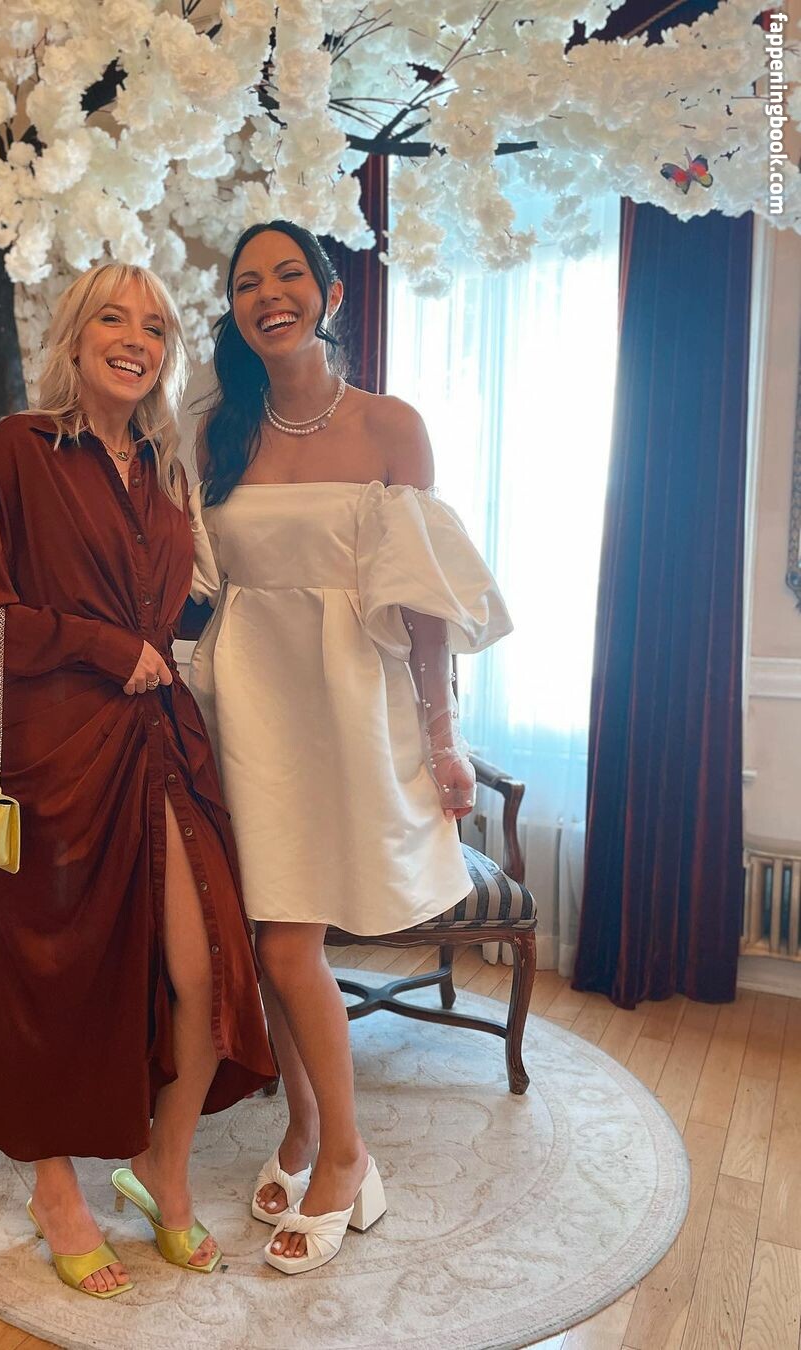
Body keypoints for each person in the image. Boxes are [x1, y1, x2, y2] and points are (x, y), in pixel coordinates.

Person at [0, 262, 275, 1298]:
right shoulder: (20, 449)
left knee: (208, 968)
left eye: (157, 327)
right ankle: (54, 1193)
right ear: (76, 339)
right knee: (54, 976)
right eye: (115, 320)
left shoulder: (170, 470)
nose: (137, 339)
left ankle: (163, 1166)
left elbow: (186, 602)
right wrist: (96, 643)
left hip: (161, 743)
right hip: (52, 754)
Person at [188, 221, 513, 1275]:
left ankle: (345, 1155)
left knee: (291, 945)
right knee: (271, 938)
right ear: (233, 308)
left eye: (289, 274)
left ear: (330, 294)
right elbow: (199, 583)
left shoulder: (390, 427)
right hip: (249, 706)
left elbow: (423, 601)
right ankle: (303, 1132)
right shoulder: (221, 431)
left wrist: (444, 736)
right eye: (247, 282)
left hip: (351, 710)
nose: (268, 294)